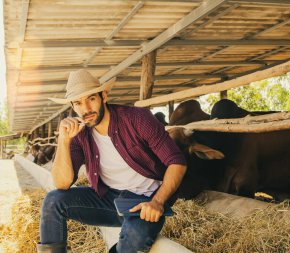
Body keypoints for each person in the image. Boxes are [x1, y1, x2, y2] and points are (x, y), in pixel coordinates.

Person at [37, 69, 187, 253]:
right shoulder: (79, 134)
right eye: (78, 103)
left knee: (136, 235)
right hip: (108, 199)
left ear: (104, 96)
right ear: (73, 106)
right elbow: (62, 182)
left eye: (91, 99)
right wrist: (64, 140)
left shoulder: (138, 118)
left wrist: (157, 202)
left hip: (145, 202)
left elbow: (177, 162)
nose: (86, 109)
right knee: (53, 201)